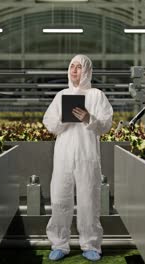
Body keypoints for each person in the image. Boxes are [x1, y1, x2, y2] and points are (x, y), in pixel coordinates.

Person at [43, 54, 113, 261]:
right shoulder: (62, 95)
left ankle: (90, 244)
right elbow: (49, 122)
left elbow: (106, 125)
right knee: (59, 199)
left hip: (87, 155)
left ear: (87, 71)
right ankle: (59, 243)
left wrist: (88, 118)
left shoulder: (97, 95)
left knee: (88, 200)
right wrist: (63, 121)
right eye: (72, 67)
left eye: (79, 67)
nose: (75, 71)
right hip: (63, 156)